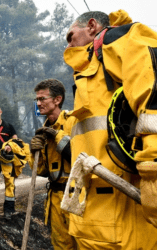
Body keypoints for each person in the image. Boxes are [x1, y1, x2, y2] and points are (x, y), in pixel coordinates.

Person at [64, 10, 157, 249]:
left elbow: (153, 99)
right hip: (96, 217)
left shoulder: (122, 40)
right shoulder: (89, 71)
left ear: (92, 26)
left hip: (125, 212)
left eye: (71, 35)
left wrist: (153, 170)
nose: (68, 43)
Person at [29, 79, 76, 250]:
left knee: (82, 243)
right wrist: (34, 151)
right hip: (55, 198)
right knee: (61, 245)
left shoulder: (73, 122)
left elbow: (78, 156)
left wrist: (57, 136)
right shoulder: (43, 130)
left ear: (57, 99)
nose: (39, 103)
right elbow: (40, 170)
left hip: (76, 195)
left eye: (42, 99)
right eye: (37, 100)